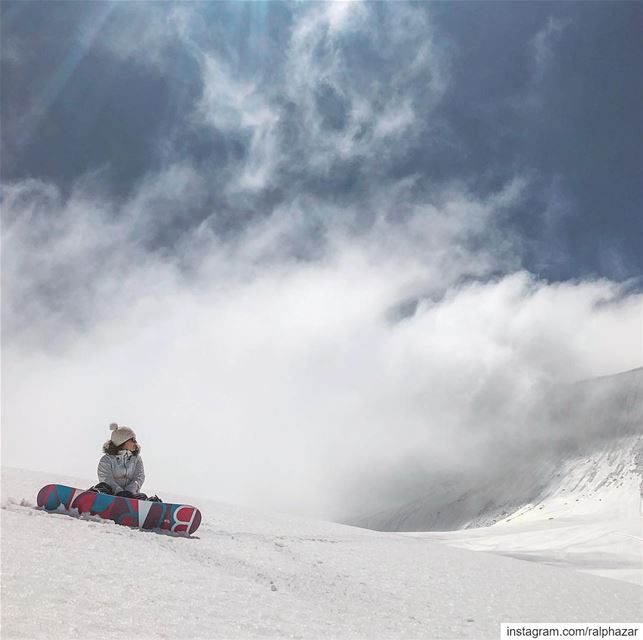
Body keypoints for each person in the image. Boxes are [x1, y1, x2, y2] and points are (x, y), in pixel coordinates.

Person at [90, 423, 161, 502]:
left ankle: (152, 506)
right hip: (111, 495)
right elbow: (106, 479)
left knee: (142, 496)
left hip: (130, 496)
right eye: (133, 440)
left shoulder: (137, 459)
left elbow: (139, 477)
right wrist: (119, 491)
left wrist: (129, 492)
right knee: (102, 487)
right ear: (122, 441)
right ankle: (91, 499)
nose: (136, 443)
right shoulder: (107, 460)